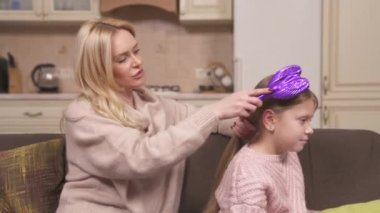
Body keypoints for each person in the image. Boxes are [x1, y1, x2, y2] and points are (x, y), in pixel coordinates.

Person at [56, 17, 270, 213]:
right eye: (123, 58)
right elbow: (141, 157)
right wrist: (215, 110)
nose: (137, 61)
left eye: (136, 51)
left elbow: (207, 121)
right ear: (99, 68)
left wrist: (251, 121)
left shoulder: (148, 102)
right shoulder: (84, 115)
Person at [204, 66, 319, 213]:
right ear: (270, 120)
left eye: (310, 120)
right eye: (303, 120)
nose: (310, 129)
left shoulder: (287, 150)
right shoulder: (248, 173)